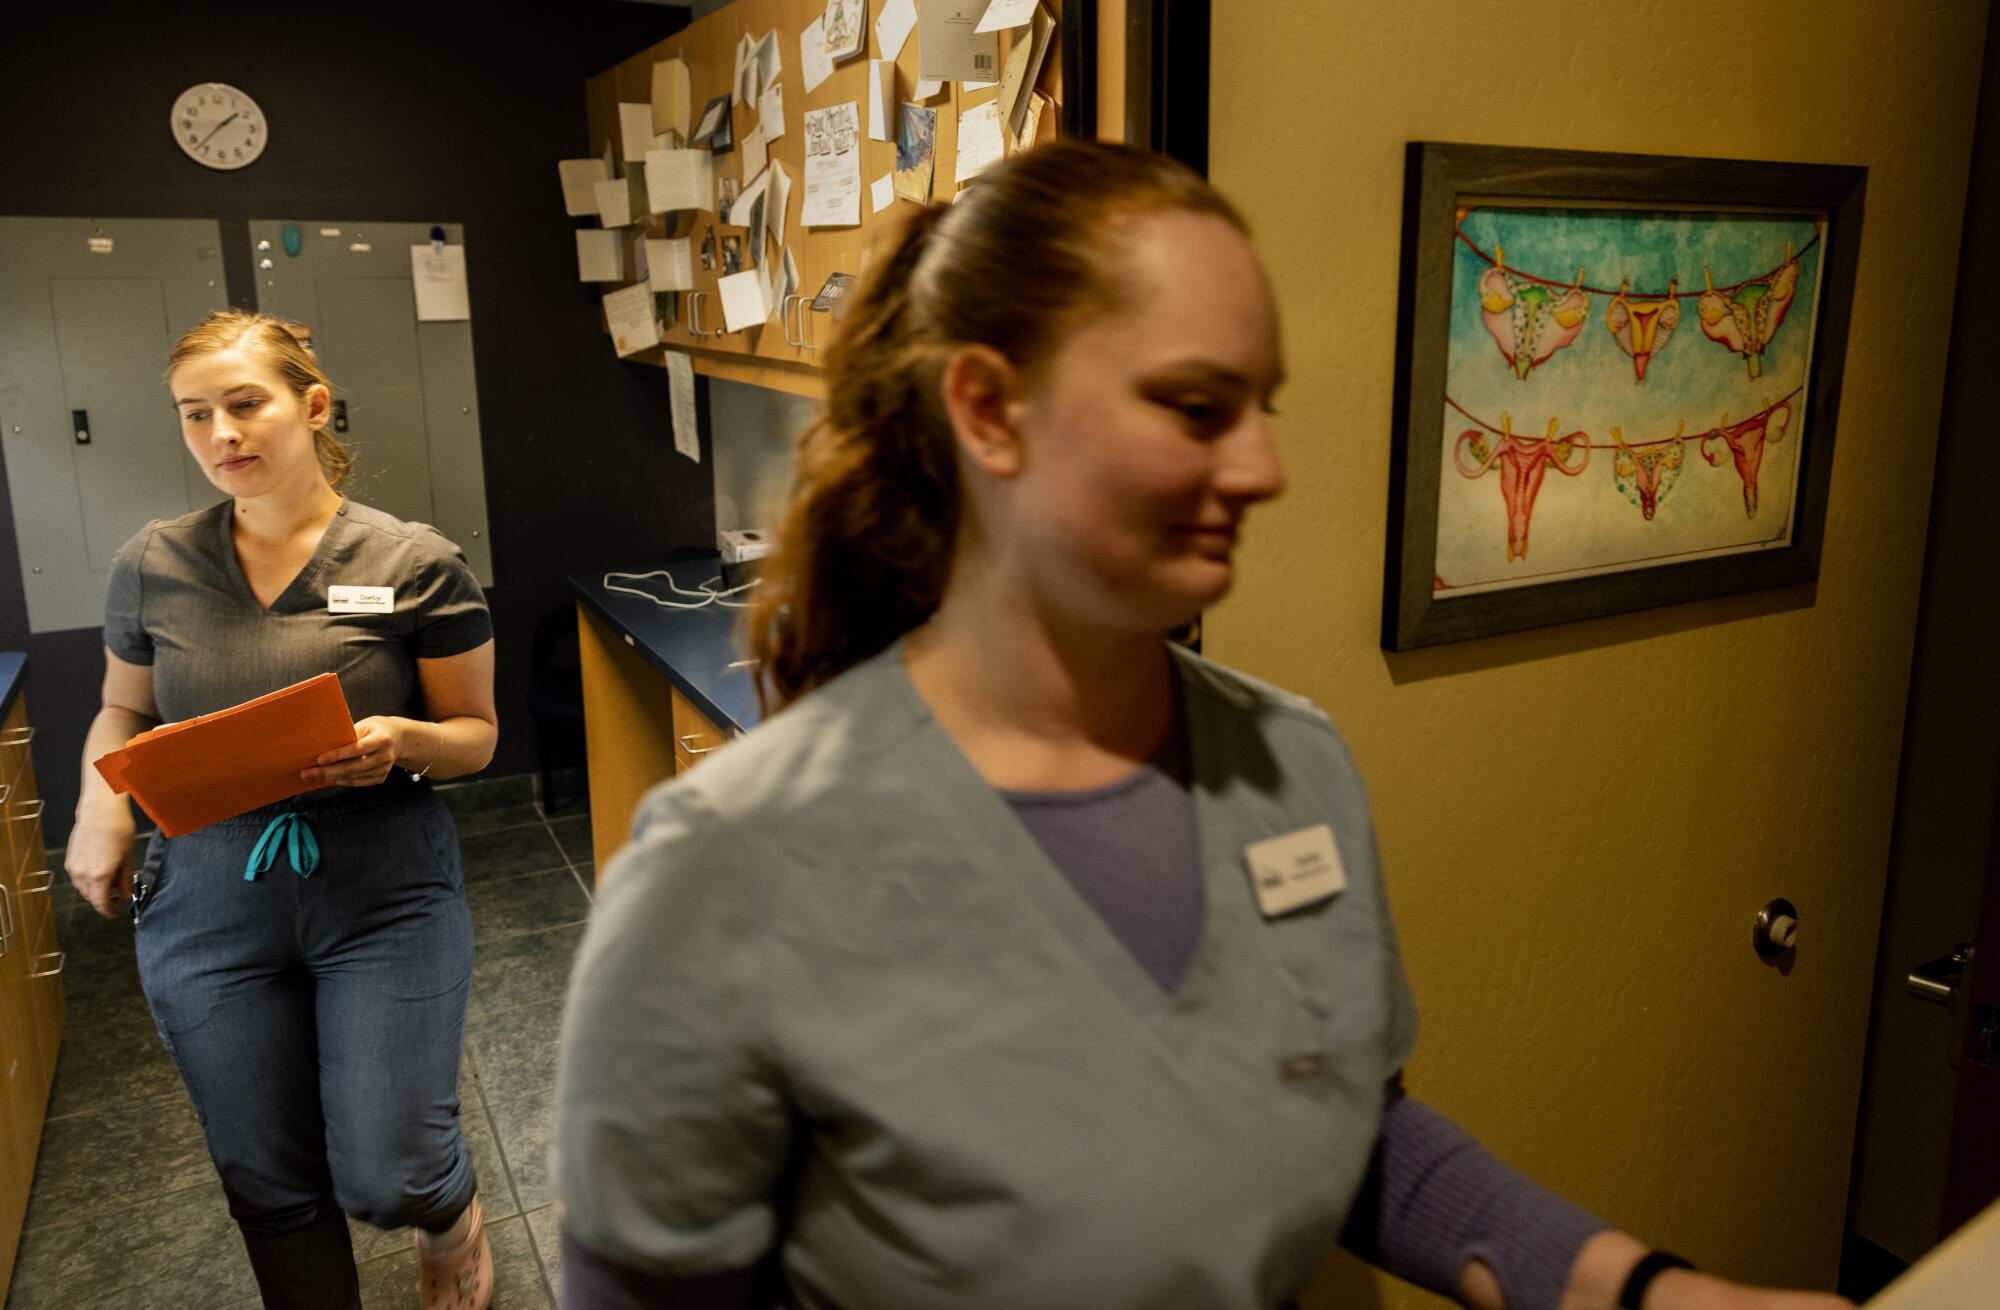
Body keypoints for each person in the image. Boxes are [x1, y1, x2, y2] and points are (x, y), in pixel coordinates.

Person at [552, 142, 1851, 1310]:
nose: (1263, 468)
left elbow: (1351, 1131)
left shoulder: (1292, 766)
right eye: (1194, 407)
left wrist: (1653, 1292)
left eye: (1260, 406)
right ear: (990, 408)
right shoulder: (732, 865)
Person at [64, 310, 502, 1310]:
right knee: (265, 1176)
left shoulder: (412, 562)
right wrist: (101, 805)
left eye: (245, 403)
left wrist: (406, 741)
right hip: (208, 902)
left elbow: (475, 732)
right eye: (195, 414)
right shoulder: (154, 562)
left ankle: (449, 1213)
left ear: (311, 406)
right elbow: (120, 709)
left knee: (390, 1167)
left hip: (380, 888)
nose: (223, 431)